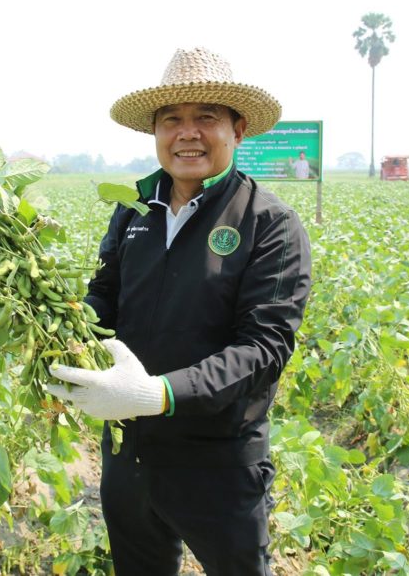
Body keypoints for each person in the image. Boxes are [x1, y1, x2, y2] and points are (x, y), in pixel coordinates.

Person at [45, 47, 312, 575]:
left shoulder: (271, 223)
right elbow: (107, 292)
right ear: (155, 132)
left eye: (205, 118)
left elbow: (264, 349)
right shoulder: (134, 208)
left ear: (237, 129)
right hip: (129, 453)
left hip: (219, 462)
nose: (187, 133)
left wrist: (159, 393)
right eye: (172, 119)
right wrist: (59, 327)